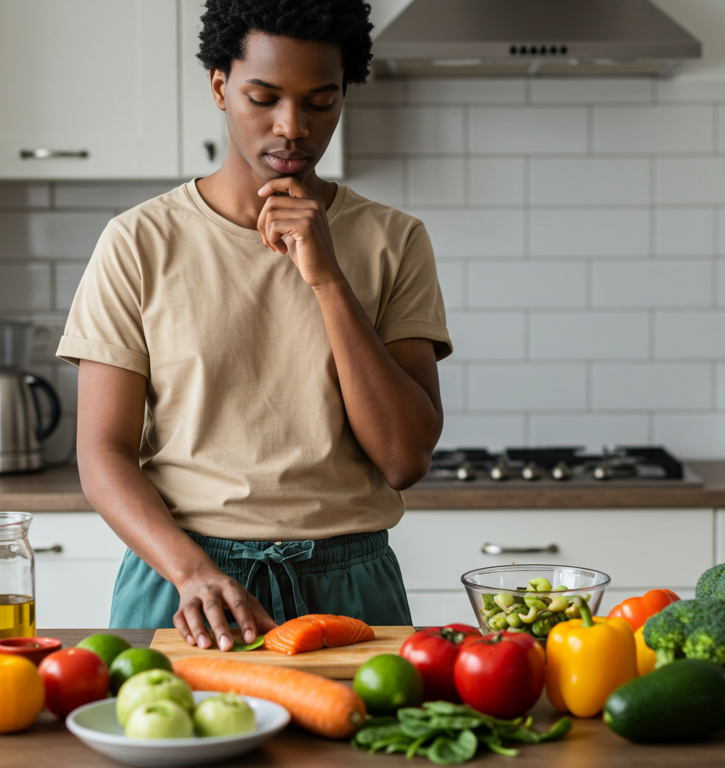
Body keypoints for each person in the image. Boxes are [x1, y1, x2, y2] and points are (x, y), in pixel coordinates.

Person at [56, 0, 450, 652]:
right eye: (263, 98)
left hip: (349, 587)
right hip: (184, 586)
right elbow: (102, 455)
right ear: (219, 86)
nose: (291, 127)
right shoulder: (137, 241)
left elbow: (405, 458)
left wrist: (326, 277)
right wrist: (192, 573)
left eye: (321, 102)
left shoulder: (394, 241)